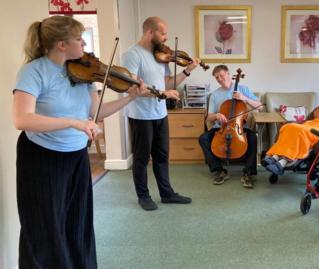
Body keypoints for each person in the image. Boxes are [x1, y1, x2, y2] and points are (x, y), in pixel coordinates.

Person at [13, 16, 148, 269]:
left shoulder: (83, 72)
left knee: (77, 222)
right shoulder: (34, 71)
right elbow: (22, 119)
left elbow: (97, 112)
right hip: (41, 157)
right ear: (61, 44)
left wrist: (130, 98)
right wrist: (73, 122)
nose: (84, 43)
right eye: (78, 38)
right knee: (45, 224)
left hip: (75, 156)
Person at [121, 16, 199, 210]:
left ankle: (167, 194)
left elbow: (167, 84)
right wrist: (163, 93)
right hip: (140, 115)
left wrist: (187, 71)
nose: (166, 37)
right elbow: (132, 87)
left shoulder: (159, 55)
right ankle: (143, 196)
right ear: (150, 32)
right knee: (141, 158)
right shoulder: (132, 55)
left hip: (160, 113)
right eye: (163, 33)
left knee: (162, 156)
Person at [262, 81, 319, 175]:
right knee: (288, 126)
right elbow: (311, 118)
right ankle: (274, 158)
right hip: (313, 123)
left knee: (301, 130)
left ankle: (281, 162)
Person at [198, 65, 262, 188]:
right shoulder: (215, 94)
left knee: (253, 137)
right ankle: (219, 170)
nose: (220, 79)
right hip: (220, 128)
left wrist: (244, 98)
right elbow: (209, 117)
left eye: (221, 75)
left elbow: (260, 107)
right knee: (203, 138)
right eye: (217, 78)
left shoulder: (243, 89)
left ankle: (248, 173)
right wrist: (216, 115)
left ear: (228, 74)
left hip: (240, 128)